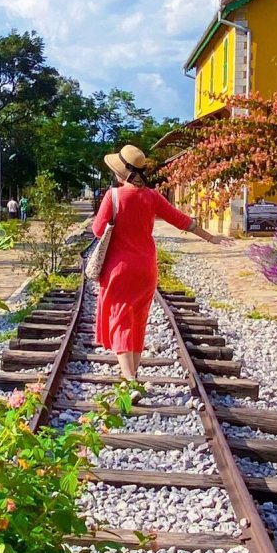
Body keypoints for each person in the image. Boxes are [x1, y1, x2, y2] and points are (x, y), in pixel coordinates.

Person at [90, 144, 232, 382]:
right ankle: (132, 375)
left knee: (120, 319)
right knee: (137, 321)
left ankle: (129, 379)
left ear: (121, 172)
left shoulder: (112, 196)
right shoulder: (152, 196)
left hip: (119, 269)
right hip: (146, 268)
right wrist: (211, 237)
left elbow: (97, 231)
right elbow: (181, 220)